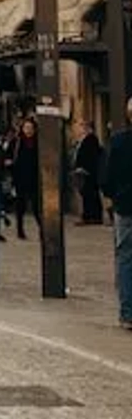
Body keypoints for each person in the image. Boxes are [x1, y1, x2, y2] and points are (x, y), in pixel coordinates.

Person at [99, 97, 132, 331]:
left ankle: (128, 313)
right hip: (124, 204)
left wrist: (114, 196)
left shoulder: (119, 142)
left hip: (126, 206)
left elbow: (106, 178)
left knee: (125, 258)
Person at [73, 120, 104, 225]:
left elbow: (91, 156)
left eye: (79, 127)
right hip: (83, 172)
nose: (76, 130)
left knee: (90, 194)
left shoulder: (91, 139)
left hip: (89, 172)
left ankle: (93, 216)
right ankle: (88, 215)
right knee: (86, 194)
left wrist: (85, 168)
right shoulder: (82, 140)